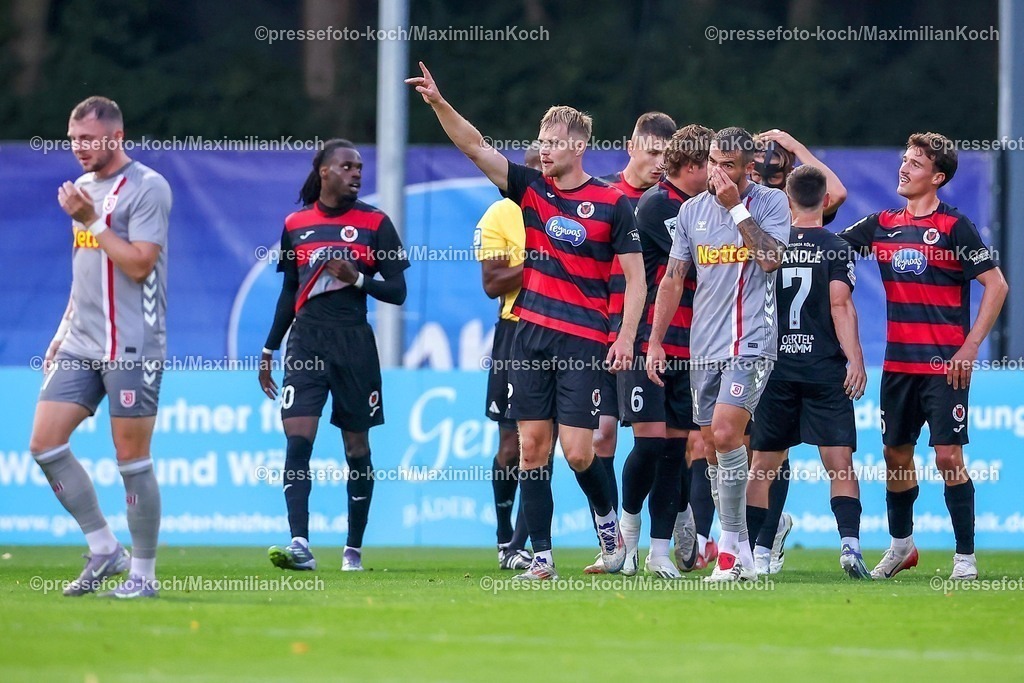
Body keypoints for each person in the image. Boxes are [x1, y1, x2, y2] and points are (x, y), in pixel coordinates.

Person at [407, 62, 646, 580]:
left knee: (579, 453)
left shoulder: (611, 204)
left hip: (583, 342)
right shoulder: (532, 190)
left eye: (554, 142)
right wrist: (439, 103)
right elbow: (476, 148)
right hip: (529, 336)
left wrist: (625, 337)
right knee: (532, 449)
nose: (544, 150)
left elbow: (636, 278)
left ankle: (609, 528)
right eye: (541, 141)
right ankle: (541, 558)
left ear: (579, 146)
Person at [838, 132, 1007, 581]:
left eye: (915, 163)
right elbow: (829, 249)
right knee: (895, 456)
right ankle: (902, 546)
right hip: (898, 366)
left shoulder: (955, 227)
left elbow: (997, 285)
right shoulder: (881, 224)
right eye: (905, 160)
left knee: (948, 458)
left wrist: (970, 346)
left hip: (945, 368)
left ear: (937, 177)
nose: (904, 168)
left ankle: (965, 558)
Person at [31, 96, 172, 598]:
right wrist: (61, 331)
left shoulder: (148, 187)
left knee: (131, 457)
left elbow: (138, 264)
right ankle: (105, 548)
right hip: (81, 342)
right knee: (44, 444)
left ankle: (144, 576)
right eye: (73, 140)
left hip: (132, 343)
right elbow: (84, 270)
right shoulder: (84, 191)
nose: (79, 148)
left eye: (89, 139)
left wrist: (92, 220)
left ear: (116, 136)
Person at [260, 139, 410, 573]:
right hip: (306, 342)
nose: (356, 173)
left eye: (359, 167)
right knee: (297, 440)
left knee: (356, 446)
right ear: (324, 171)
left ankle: (352, 550)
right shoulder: (296, 224)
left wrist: (358, 279)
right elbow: (290, 292)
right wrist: (269, 348)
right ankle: (300, 544)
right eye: (347, 166)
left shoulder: (375, 223)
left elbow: (398, 291)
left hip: (354, 344)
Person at [647, 126, 790, 582]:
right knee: (711, 448)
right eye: (712, 162)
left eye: (727, 165)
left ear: (748, 168)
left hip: (751, 341)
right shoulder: (691, 211)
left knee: (728, 434)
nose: (717, 172)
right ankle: (743, 548)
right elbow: (673, 280)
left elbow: (770, 259)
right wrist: (654, 341)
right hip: (704, 346)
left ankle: (727, 553)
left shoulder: (771, 202)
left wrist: (735, 207)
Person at [747, 165, 870, 579]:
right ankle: (850, 546)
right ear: (826, 200)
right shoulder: (837, 246)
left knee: (763, 465)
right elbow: (840, 304)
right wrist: (855, 358)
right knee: (840, 463)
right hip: (823, 368)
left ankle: (756, 552)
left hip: (775, 368)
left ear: (787, 200)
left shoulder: (771, 243)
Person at [616, 124, 712, 578]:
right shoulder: (657, 205)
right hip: (649, 341)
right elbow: (695, 264)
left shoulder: (704, 206)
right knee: (650, 444)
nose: (716, 171)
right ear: (691, 166)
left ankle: (659, 552)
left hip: (691, 345)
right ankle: (626, 535)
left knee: (676, 451)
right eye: (711, 163)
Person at [586, 111, 676, 574]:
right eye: (653, 152)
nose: (660, 162)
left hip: (647, 339)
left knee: (661, 442)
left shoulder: (672, 203)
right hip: (600, 335)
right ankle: (612, 542)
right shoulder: (605, 195)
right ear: (631, 146)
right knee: (600, 436)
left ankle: (669, 528)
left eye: (667, 154)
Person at [474, 144, 542, 571]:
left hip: (562, 330)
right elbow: (492, 283)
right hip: (514, 331)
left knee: (542, 443)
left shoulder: (572, 212)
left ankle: (523, 544)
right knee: (510, 445)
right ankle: (504, 540)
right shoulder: (500, 214)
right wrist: (538, 262)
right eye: (532, 169)